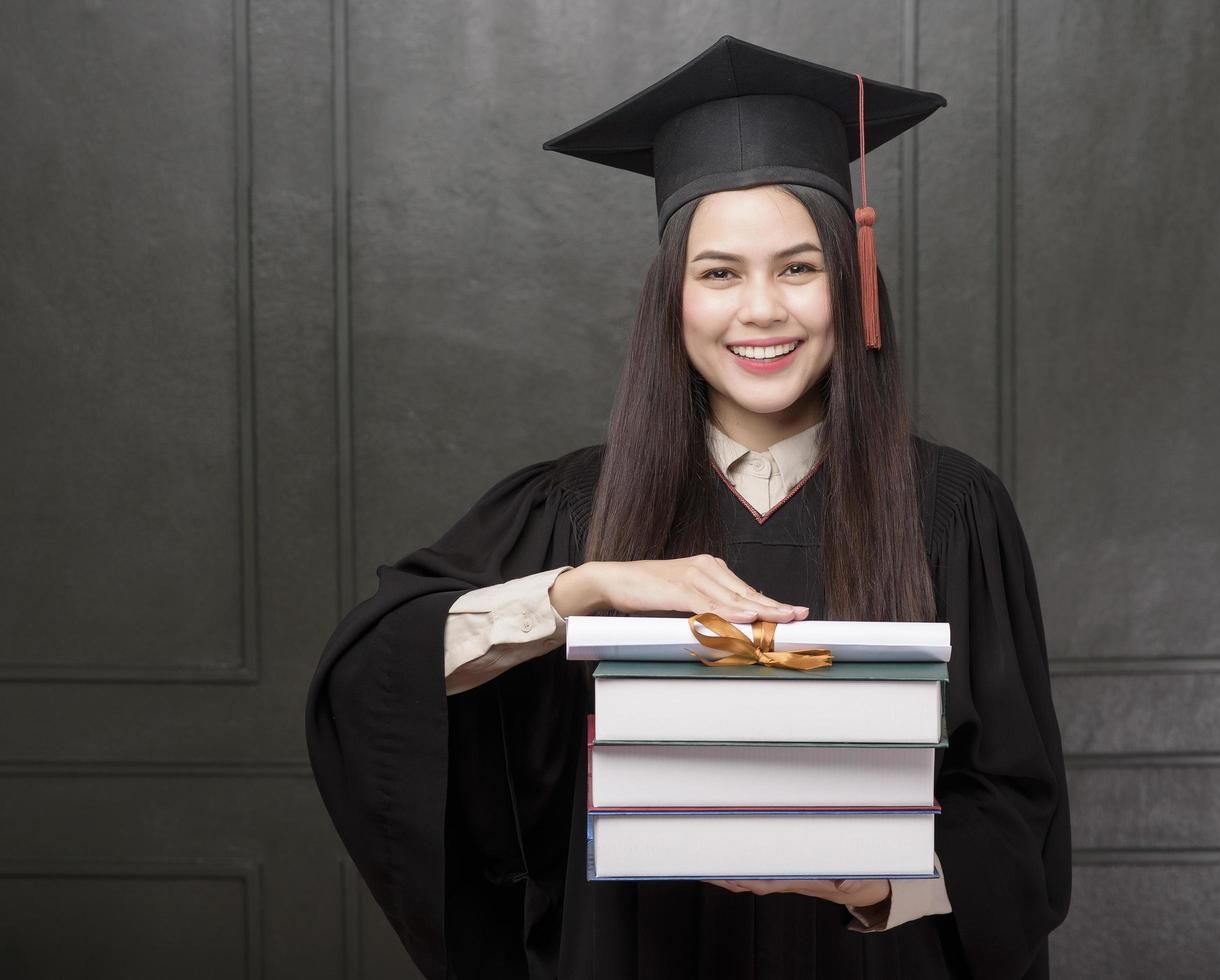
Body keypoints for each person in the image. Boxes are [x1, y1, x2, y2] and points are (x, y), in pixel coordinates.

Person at [306, 35, 1070, 980]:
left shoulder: (951, 509)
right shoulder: (571, 511)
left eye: (799, 268)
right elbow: (380, 681)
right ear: (672, 297)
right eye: (719, 273)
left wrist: (877, 886)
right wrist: (582, 591)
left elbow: (1017, 806)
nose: (761, 310)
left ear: (852, 280)